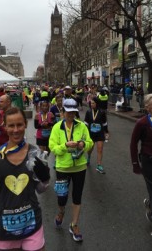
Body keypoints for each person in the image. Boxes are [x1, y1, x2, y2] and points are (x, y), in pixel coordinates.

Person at [0, 107, 50, 251]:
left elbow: (41, 189)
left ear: (25, 124)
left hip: (32, 225)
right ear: (5, 127)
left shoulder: (35, 154)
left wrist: (45, 179)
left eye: (19, 124)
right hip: (6, 228)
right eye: (11, 125)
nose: (15, 130)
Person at [49, 99, 93, 242]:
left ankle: (74, 224)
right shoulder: (56, 127)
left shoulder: (81, 126)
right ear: (63, 112)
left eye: (73, 112)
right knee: (62, 197)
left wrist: (82, 145)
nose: (70, 114)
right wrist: (66, 146)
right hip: (63, 168)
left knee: (77, 196)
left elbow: (90, 143)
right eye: (67, 111)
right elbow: (53, 147)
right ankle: (61, 212)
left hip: (80, 167)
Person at [130, 94, 152, 223]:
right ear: (147, 107)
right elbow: (133, 144)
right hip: (147, 160)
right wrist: (135, 163)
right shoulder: (141, 123)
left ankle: (149, 202)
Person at [84, 97, 109, 174]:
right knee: (90, 149)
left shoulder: (101, 112)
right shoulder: (88, 112)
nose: (91, 104)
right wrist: (84, 132)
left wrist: (106, 132)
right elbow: (86, 123)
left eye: (93, 103)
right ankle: (88, 158)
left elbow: (105, 123)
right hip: (91, 134)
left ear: (97, 103)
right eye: (91, 103)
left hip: (100, 133)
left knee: (100, 149)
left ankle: (99, 165)